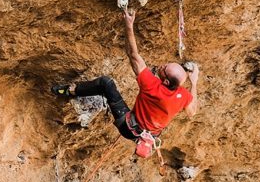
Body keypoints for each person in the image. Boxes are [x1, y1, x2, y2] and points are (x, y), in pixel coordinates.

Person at [51, 9, 199, 142]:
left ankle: (69, 90)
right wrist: (194, 83)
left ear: (166, 81)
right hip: (150, 136)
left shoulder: (152, 85)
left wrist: (128, 24)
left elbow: (133, 55)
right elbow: (192, 112)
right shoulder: (183, 94)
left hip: (128, 128)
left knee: (106, 83)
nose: (162, 65)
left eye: (164, 68)